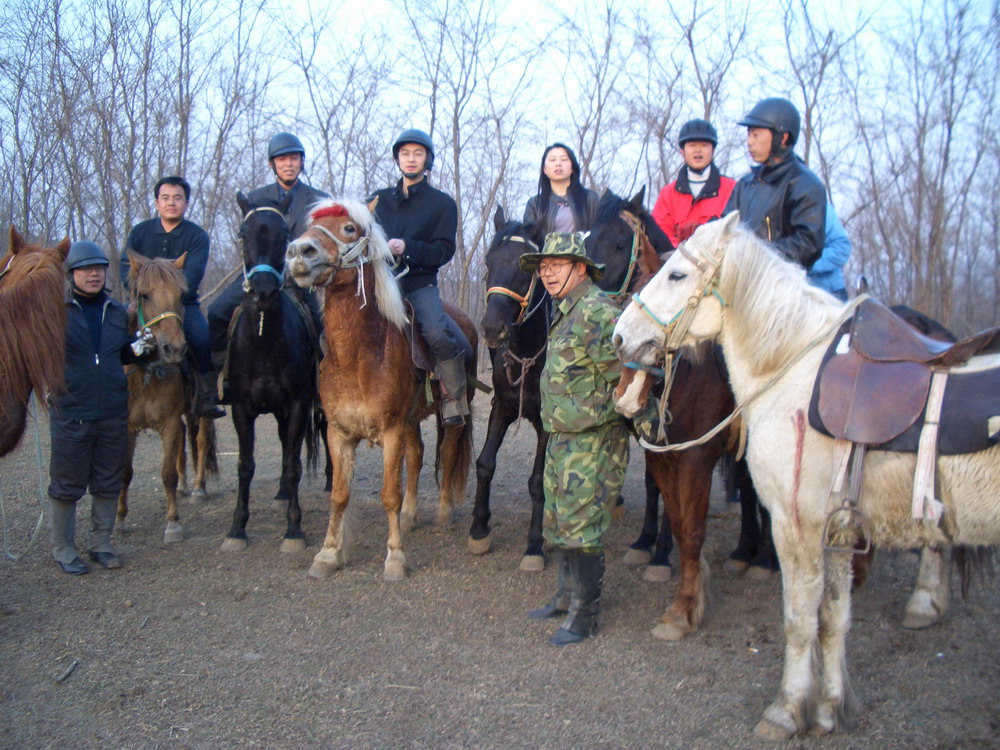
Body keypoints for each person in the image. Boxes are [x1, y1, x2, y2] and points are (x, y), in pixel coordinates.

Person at [518, 232, 629, 646]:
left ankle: (585, 615)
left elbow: (624, 379)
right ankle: (565, 597)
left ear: (580, 268)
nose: (547, 273)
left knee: (583, 526)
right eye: (543, 267)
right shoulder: (568, 309)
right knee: (559, 520)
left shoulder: (598, 311)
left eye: (556, 265)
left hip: (593, 441)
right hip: (563, 438)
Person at [48, 241, 153, 574]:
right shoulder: (56, 312)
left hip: (112, 410)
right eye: (85, 269)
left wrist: (144, 344)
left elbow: (123, 354)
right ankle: (64, 549)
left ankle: (101, 545)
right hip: (71, 410)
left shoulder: (117, 312)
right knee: (67, 484)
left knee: (108, 481)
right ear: (71, 274)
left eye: (98, 268)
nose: (93, 274)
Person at [207, 132, 330, 384]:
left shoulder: (319, 200)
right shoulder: (255, 199)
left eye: (294, 158)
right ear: (271, 164)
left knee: (323, 322)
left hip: (302, 276)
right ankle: (219, 376)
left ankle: (323, 378)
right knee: (216, 311)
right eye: (282, 159)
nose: (288, 164)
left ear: (301, 161)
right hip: (261, 274)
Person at [370, 128, 469, 427]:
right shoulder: (377, 200)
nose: (411, 159)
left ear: (427, 160)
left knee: (438, 332)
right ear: (397, 159)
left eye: (417, 153)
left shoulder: (442, 204)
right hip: (378, 284)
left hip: (418, 285)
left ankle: (454, 398)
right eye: (405, 153)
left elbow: (443, 250)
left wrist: (407, 247)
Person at [120, 176, 224, 419]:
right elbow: (125, 267)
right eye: (165, 198)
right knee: (115, 333)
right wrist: (138, 295)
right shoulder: (139, 232)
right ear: (157, 202)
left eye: (177, 198)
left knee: (200, 339)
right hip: (144, 303)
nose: (171, 203)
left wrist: (169, 292)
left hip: (181, 304)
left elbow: (192, 275)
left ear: (186, 203)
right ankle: (108, 387)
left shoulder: (197, 236)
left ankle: (206, 393)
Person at [724, 97, 827, 269]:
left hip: (783, 286)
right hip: (740, 281)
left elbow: (808, 244)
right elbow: (725, 227)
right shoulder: (745, 184)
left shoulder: (805, 184)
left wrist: (755, 255)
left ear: (783, 137)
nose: (749, 142)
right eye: (749, 134)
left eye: (756, 135)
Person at [651, 118, 735, 247]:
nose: (698, 150)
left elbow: (738, 230)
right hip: (677, 260)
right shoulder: (668, 194)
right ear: (682, 151)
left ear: (712, 150)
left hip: (719, 260)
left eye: (704, 145)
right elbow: (660, 232)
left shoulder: (731, 189)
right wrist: (684, 250)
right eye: (692, 145)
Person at [523, 143, 599, 235]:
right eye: (552, 160)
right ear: (544, 169)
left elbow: (602, 236)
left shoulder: (590, 199)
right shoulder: (534, 204)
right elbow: (528, 240)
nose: (558, 164)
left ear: (572, 168)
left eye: (564, 159)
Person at [807, 203, 852, 301]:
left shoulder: (817, 204)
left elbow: (841, 248)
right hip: (791, 300)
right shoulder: (771, 209)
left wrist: (805, 264)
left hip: (829, 296)